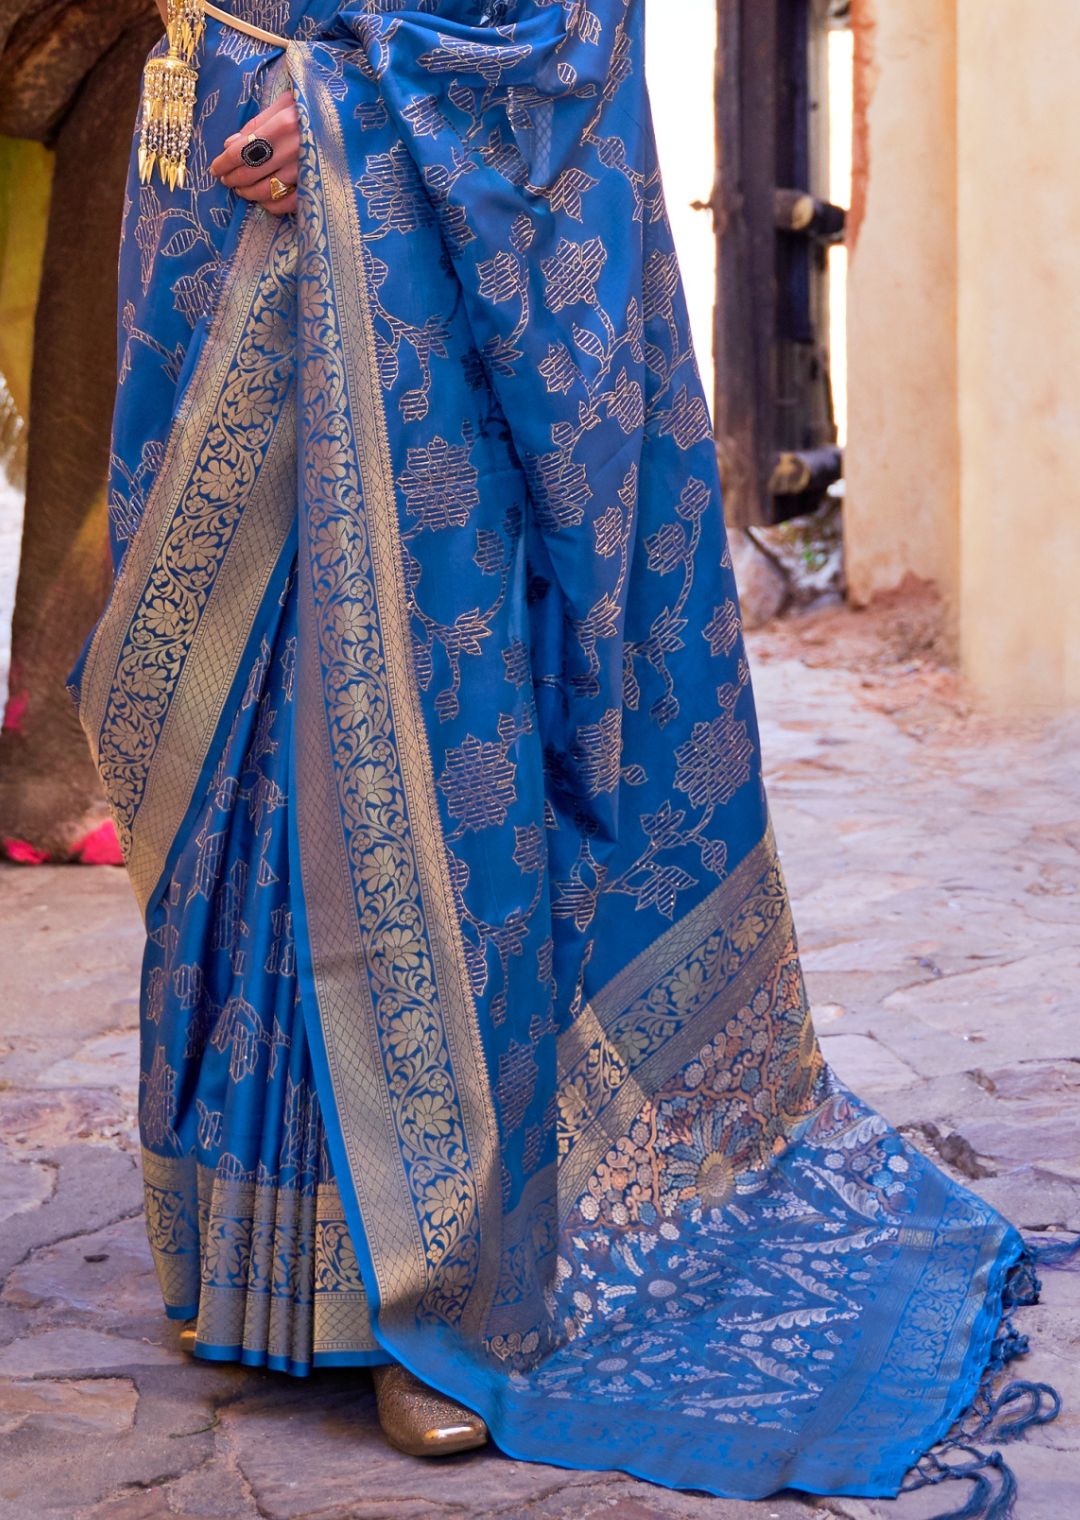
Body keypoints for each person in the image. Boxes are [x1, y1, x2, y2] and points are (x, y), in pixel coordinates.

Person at [70, 0, 1062, 1505]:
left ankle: (447, 1293)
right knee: (236, 752)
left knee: (405, 724)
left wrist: (353, 112)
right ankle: (261, 1256)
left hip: (399, 224)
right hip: (209, 190)